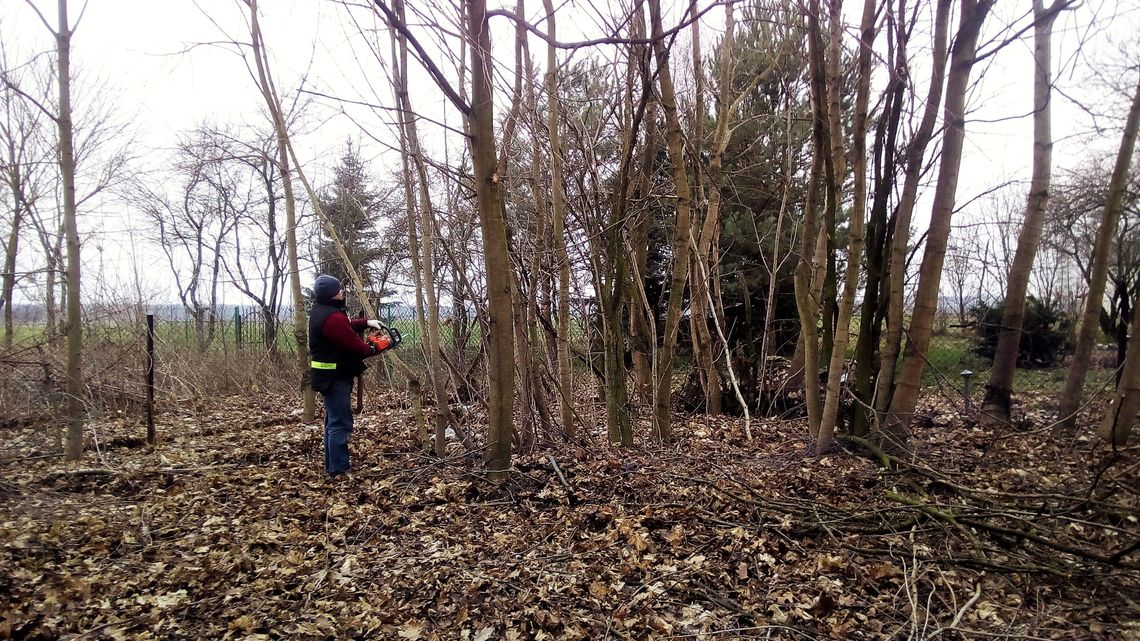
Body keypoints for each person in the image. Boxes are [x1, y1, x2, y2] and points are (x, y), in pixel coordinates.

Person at [308, 274, 388, 477]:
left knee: (332, 422)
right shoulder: (332, 317)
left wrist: (366, 322)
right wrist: (373, 348)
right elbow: (356, 347)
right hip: (335, 377)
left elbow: (344, 326)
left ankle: (332, 466)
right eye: (339, 290)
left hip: (327, 376)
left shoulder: (322, 311)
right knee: (340, 424)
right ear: (332, 294)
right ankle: (339, 470)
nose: (343, 292)